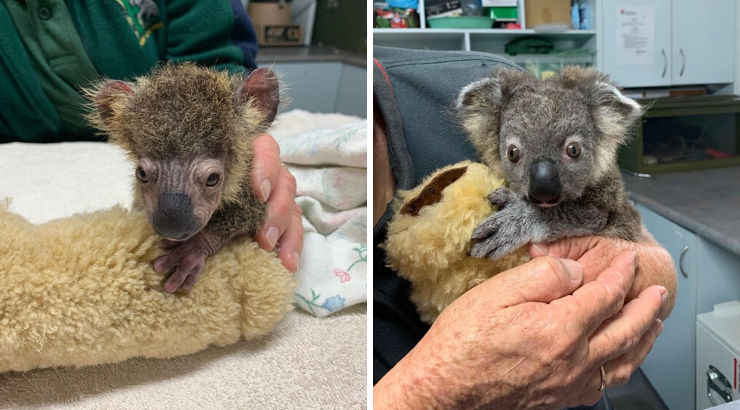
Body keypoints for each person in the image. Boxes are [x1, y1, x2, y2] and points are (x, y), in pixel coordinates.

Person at [372, 46, 677, 409]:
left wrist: (541, 221)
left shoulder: (484, 76)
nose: (542, 181)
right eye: (514, 155)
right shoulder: (492, 107)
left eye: (574, 152)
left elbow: (626, 233)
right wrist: (429, 392)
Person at [0, 0, 303, 272]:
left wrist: (205, 243)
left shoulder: (239, 155)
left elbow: (250, 212)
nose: (171, 221)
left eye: (211, 178)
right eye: (144, 174)